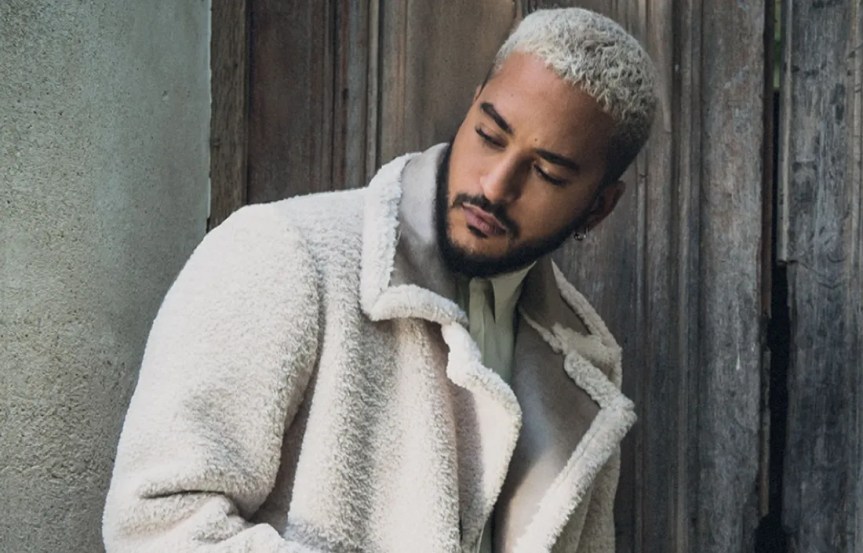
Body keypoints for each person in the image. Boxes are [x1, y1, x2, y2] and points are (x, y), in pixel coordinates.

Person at [103, 7, 656, 553]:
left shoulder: (586, 365)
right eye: (489, 135)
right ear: (471, 106)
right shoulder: (287, 251)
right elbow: (156, 527)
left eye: (545, 173)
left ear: (598, 208)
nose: (494, 185)